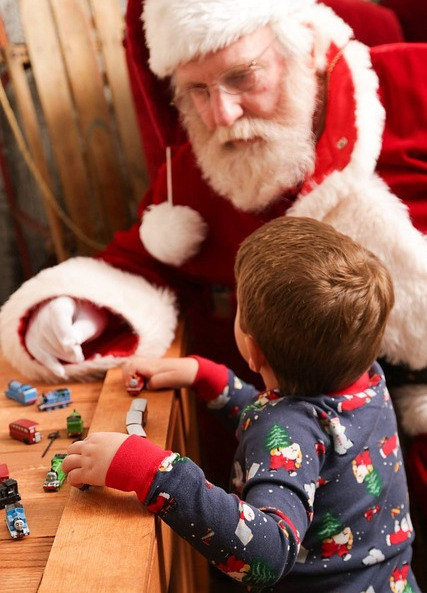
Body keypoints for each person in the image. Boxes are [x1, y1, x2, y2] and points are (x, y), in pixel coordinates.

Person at [0, 0, 426, 499]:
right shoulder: (200, 170)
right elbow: (137, 261)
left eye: (243, 77)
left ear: (305, 48)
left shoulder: (412, 80)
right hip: (341, 464)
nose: (221, 115)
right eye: (197, 90)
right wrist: (77, 309)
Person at [62, 217, 420, 592]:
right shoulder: (367, 380)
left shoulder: (293, 425)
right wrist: (212, 379)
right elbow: (298, 437)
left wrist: (153, 471)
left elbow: (266, 553)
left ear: (252, 349)